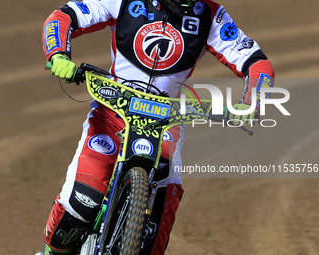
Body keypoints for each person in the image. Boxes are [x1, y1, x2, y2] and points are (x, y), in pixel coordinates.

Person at [40, 0, 274, 254]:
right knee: (81, 203)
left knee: (157, 222)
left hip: (166, 121)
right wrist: (58, 53)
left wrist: (254, 102)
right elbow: (65, 16)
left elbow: (255, 62)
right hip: (113, 110)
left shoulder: (210, 15)